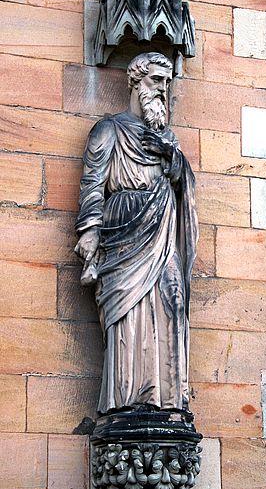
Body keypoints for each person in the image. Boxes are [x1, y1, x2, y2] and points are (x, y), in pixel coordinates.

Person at [74, 52, 198, 415]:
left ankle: (169, 399)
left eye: (167, 81)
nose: (163, 89)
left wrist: (172, 157)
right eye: (156, 80)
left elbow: (181, 182)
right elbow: (93, 185)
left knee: (173, 300)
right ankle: (127, 400)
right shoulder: (109, 129)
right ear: (136, 81)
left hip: (162, 233)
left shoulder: (167, 138)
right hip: (123, 237)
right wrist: (90, 230)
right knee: (130, 318)